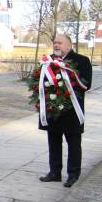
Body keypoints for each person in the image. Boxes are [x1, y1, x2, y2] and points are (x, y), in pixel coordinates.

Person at [39, 34, 92, 188]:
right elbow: (39, 81)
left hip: (71, 110)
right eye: (55, 42)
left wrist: (67, 83)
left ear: (69, 45)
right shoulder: (48, 61)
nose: (56, 45)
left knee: (74, 142)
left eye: (60, 43)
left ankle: (73, 174)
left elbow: (86, 84)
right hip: (53, 109)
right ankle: (55, 172)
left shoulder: (82, 61)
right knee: (53, 141)